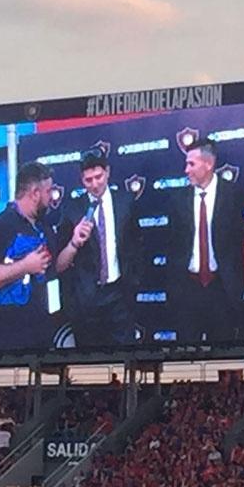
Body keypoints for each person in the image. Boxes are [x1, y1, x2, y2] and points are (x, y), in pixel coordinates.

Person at [55, 147, 143, 346]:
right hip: (86, 302)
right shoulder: (71, 209)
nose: (95, 184)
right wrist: (74, 242)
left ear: (108, 172)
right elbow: (59, 263)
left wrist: (133, 284)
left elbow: (137, 246)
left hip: (120, 296)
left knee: (125, 360)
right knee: (90, 367)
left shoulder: (125, 202)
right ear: (81, 180)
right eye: (88, 180)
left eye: (98, 177)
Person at [168, 138, 244, 341]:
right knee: (186, 357)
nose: (186, 170)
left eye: (191, 164)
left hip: (222, 288)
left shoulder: (233, 194)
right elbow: (173, 246)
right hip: (187, 290)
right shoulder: (177, 199)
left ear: (209, 164)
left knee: (224, 357)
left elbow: (239, 240)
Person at [0, 162, 59, 350]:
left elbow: (54, 269)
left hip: (42, 334)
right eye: (48, 191)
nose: (51, 197)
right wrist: (24, 266)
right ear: (35, 193)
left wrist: (75, 243)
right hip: (5, 336)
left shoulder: (45, 228)